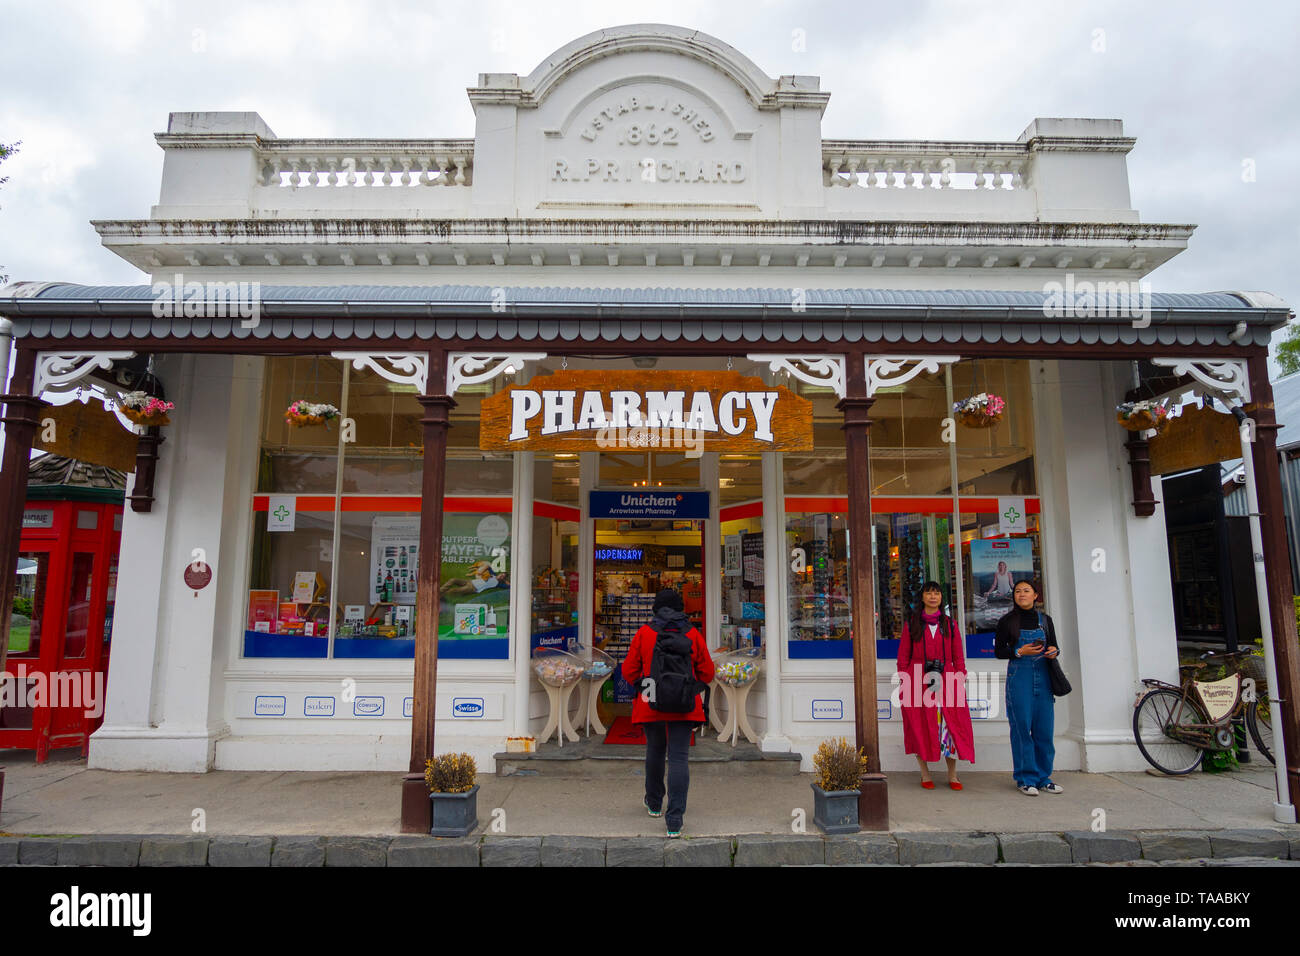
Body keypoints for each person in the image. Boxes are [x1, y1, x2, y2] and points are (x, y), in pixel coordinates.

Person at [621, 587, 715, 838]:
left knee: (655, 750)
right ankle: (674, 820)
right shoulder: (693, 634)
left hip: (650, 698)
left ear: (655, 609)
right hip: (685, 702)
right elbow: (707, 673)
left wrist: (645, 684)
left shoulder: (644, 633)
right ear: (680, 609)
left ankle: (654, 804)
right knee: (678, 758)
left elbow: (628, 670)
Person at [896, 581, 975, 790]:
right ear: (922, 598)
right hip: (918, 680)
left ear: (941, 598)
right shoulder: (911, 624)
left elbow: (958, 655)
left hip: (946, 679)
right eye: (929, 593)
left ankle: (953, 775)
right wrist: (905, 679)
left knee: (949, 726)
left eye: (937, 593)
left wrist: (959, 676)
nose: (933, 597)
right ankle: (925, 773)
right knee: (919, 725)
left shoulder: (949, 624)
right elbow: (903, 656)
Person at [994, 578, 1063, 796]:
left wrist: (1053, 651)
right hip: (1019, 677)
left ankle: (1044, 777)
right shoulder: (1007, 622)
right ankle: (1025, 778)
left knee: (1044, 729)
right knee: (1022, 729)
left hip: (1043, 678)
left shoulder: (1045, 620)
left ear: (1035, 595)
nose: (1021, 594)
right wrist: (1019, 652)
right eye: (1018, 591)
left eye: (1026, 591)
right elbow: (999, 652)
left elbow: (1054, 646)